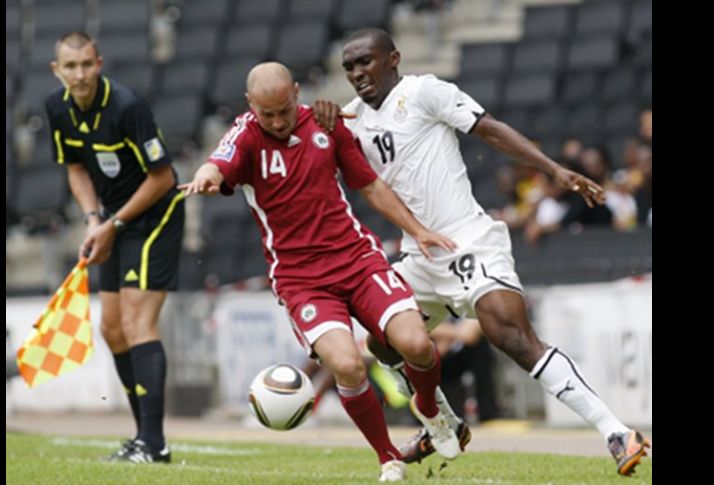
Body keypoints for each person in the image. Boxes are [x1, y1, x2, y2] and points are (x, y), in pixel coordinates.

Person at [312, 28, 650, 476]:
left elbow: (488, 129)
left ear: (393, 58)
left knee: (510, 335)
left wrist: (553, 169)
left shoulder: (425, 91)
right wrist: (319, 125)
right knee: (382, 342)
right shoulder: (350, 122)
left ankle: (615, 432)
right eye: (349, 67)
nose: (357, 74)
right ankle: (445, 423)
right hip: (419, 255)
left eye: (365, 62)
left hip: (467, 239)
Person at [181, 62, 460, 482]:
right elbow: (219, 161)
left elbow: (369, 185)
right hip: (301, 280)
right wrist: (206, 174)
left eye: (284, 110)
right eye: (266, 113)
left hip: (357, 259)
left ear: (296, 92)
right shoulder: (246, 133)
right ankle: (388, 458)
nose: (276, 122)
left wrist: (417, 230)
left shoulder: (327, 123)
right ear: (249, 104)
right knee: (347, 366)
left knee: (417, 344)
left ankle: (429, 407)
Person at [46, 32, 184, 464]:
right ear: (58, 71)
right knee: (112, 329)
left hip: (154, 216)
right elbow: (76, 168)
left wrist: (114, 223)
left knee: (138, 321)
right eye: (71, 67)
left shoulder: (128, 106)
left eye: (87, 64)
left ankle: (154, 443)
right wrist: (93, 220)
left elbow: (163, 177)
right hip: (112, 222)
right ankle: (142, 437)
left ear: (99, 63)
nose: (80, 74)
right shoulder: (57, 109)